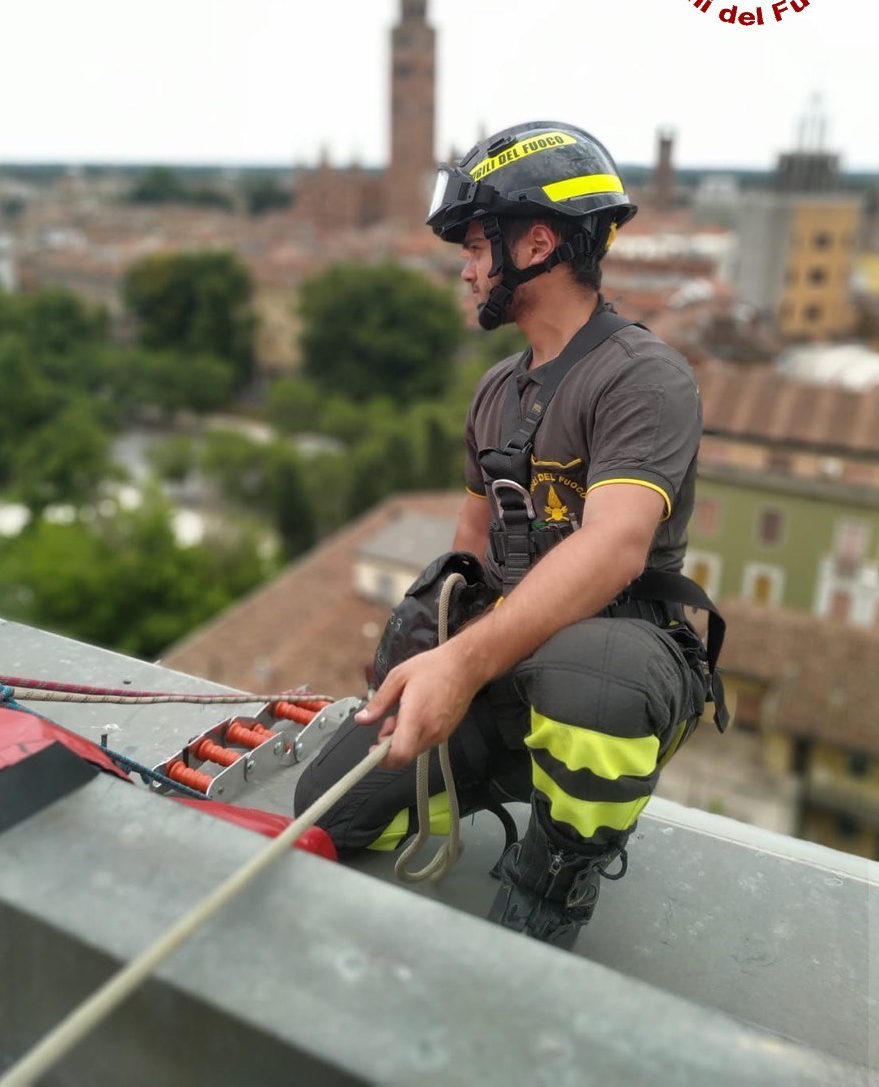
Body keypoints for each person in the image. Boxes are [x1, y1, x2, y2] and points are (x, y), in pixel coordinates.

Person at [294, 120, 727, 949]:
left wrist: (461, 665)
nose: (464, 268)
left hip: (613, 653)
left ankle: (560, 867)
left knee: (594, 673)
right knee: (330, 808)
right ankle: (493, 771)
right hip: (506, 667)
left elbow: (615, 548)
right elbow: (473, 542)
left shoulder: (642, 377)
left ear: (536, 243)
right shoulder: (498, 390)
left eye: (474, 245)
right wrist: (429, 656)